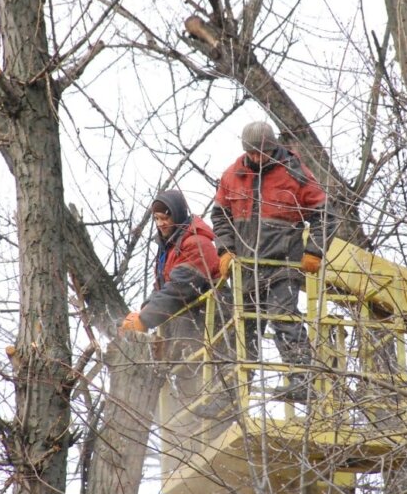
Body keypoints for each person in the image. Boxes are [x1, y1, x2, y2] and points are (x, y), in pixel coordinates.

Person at [211, 121, 336, 401]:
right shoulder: (233, 174)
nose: (258, 158)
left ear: (274, 147)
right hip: (245, 268)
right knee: (244, 329)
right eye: (253, 154)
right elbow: (220, 216)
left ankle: (301, 379)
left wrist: (314, 250)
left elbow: (325, 214)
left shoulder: (295, 173)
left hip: (283, 266)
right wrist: (225, 250)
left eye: (263, 153)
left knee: (284, 319)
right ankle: (231, 394)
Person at [119, 189, 220, 338]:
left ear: (177, 215)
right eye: (156, 219)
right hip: (190, 329)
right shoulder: (169, 249)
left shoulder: (196, 244)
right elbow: (161, 288)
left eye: (165, 218)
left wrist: (145, 319)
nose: (160, 224)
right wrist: (143, 311)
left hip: (211, 325)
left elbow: (179, 289)